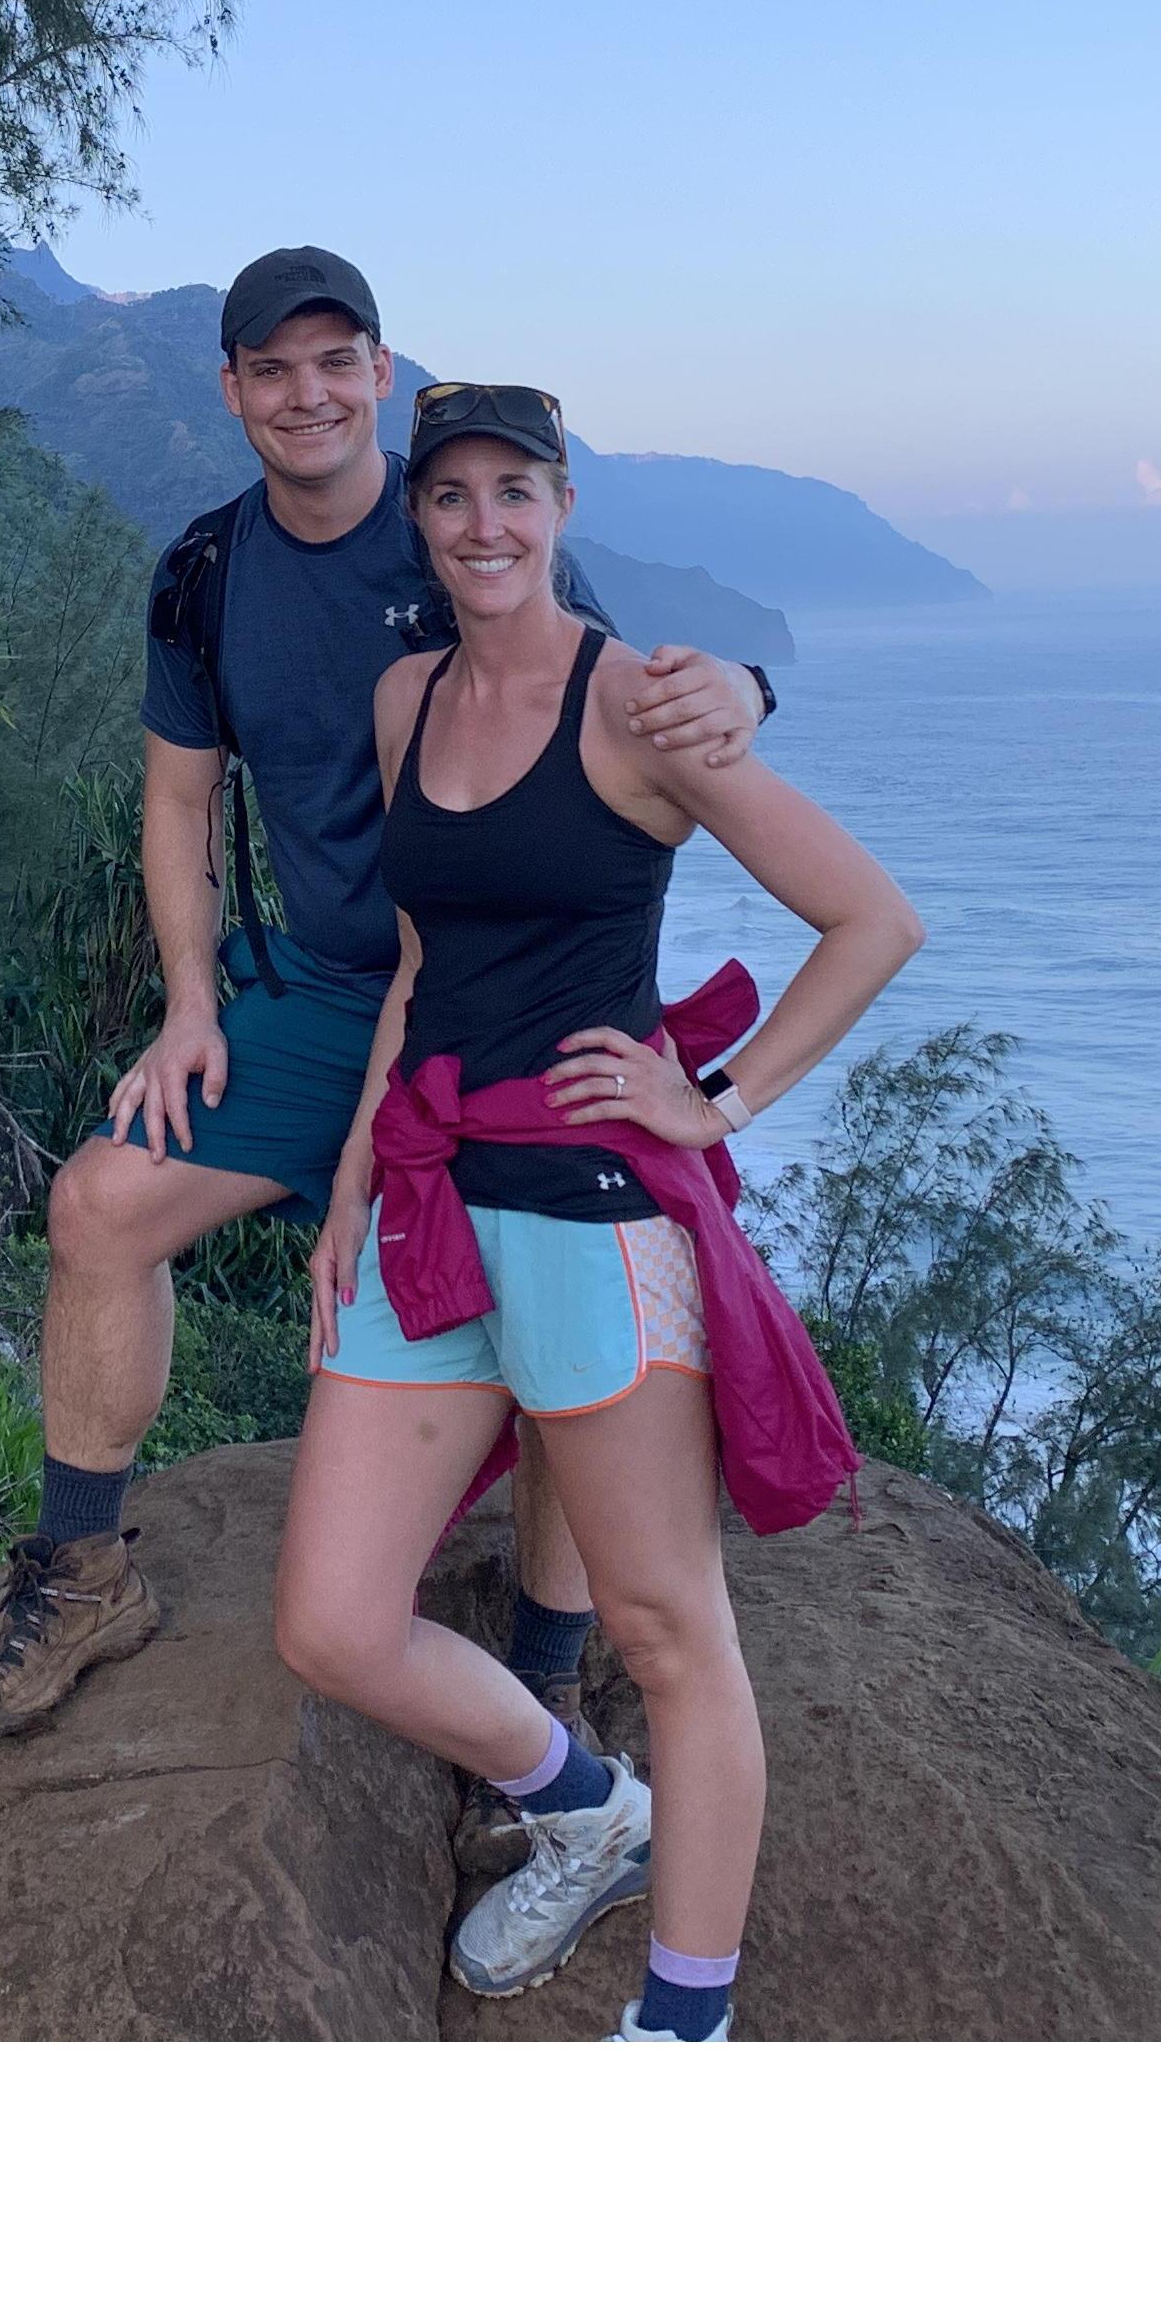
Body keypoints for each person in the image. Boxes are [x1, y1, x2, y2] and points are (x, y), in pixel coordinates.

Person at [0, 249, 774, 1744]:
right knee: (99, 1206)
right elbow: (177, 799)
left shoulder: (464, 533)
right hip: (331, 992)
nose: (309, 394)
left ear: (382, 376)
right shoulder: (207, 573)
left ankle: (545, 1666)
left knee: (549, 1304)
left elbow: (631, 689)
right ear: (232, 391)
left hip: (505, 1008)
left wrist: (746, 686)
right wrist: (189, 1006)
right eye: (274, 368)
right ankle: (83, 1572)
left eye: (338, 362)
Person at [272, 382, 922, 2039]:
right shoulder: (408, 696)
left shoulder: (636, 705)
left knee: (667, 1628)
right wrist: (350, 1186)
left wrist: (716, 1099)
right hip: (429, 1203)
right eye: (452, 496)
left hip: (589, 1213)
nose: (483, 524)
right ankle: (587, 1809)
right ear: (420, 518)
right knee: (333, 1622)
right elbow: (421, 965)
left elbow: (869, 920)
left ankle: (682, 2026)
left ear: (564, 509)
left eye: (517, 491)